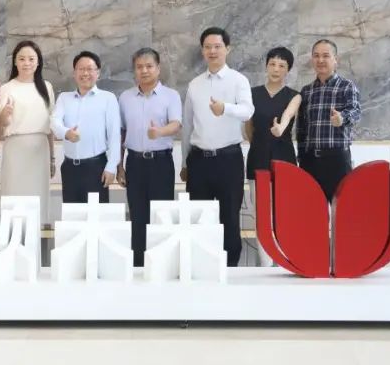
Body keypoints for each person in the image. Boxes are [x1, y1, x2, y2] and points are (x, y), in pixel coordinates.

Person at [181, 27, 254, 267]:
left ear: (227, 49)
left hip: (228, 159)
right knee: (198, 217)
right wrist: (184, 162)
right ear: (202, 51)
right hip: (199, 161)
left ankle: (229, 268)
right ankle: (200, 267)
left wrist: (226, 108)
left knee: (229, 217)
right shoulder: (195, 85)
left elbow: (248, 111)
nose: (212, 51)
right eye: (207, 47)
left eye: (217, 46)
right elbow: (188, 125)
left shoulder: (238, 80)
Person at [117, 47, 182, 268]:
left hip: (161, 163)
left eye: (149, 66)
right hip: (134, 163)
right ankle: (138, 267)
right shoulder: (125, 97)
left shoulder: (171, 95)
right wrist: (120, 166)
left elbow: (176, 124)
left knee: (161, 215)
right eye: (139, 67)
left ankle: (162, 266)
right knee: (137, 216)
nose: (144, 71)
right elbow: (121, 132)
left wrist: (159, 132)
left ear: (158, 68)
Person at [244, 46, 302, 265]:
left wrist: (280, 128)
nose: (276, 69)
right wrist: (261, 142)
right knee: (261, 215)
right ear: (266, 66)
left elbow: (287, 115)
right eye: (272, 64)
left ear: (288, 70)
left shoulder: (294, 96)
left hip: (284, 159)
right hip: (258, 158)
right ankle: (265, 264)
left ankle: (284, 262)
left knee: (284, 213)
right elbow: (248, 129)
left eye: (282, 65)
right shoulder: (251, 94)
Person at [50, 50, 121, 204]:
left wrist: (111, 166)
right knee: (72, 214)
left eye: (90, 69)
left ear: (98, 73)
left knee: (96, 214)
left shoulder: (108, 98)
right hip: (69, 168)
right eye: (81, 69)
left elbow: (115, 135)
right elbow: (54, 122)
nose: (85, 73)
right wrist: (66, 133)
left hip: (96, 168)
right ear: (74, 73)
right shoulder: (64, 98)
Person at [0, 40, 56, 225]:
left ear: (38, 62)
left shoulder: (46, 87)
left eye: (31, 59)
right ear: (15, 61)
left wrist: (52, 158)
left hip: (40, 150)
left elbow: (50, 126)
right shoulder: (7, 88)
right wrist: (5, 115)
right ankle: (12, 236)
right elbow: (3, 124)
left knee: (38, 197)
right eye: (22, 59)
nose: (26, 63)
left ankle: (38, 237)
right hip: (15, 148)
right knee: (14, 195)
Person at [296, 39, 362, 203]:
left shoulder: (347, 86)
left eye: (326, 56)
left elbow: (356, 112)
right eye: (316, 56)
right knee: (310, 208)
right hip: (310, 161)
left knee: (341, 208)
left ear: (335, 60)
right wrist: (301, 156)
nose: (320, 60)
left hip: (337, 160)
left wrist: (342, 119)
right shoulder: (306, 91)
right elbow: (302, 128)